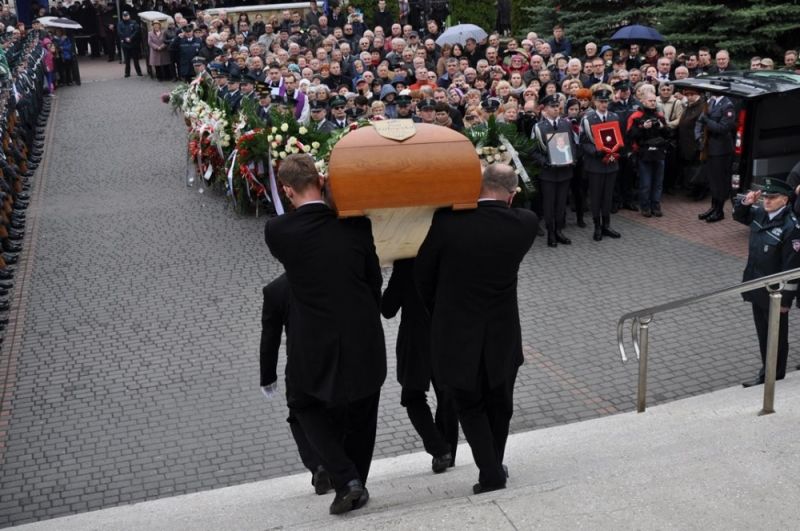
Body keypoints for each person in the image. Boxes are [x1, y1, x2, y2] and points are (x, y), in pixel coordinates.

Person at [264, 154, 386, 515]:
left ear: (287, 191)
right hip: (363, 333)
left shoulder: (278, 231)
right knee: (363, 409)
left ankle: (346, 479)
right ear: (321, 179)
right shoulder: (357, 225)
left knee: (304, 404)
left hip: (313, 338)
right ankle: (356, 481)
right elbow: (373, 280)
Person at [415, 163, 538, 495]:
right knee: (500, 402)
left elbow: (422, 276)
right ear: (512, 196)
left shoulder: (447, 223)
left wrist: (440, 309)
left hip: (456, 332)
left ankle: (491, 471)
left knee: (469, 404)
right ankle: (493, 464)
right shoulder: (524, 224)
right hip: (503, 333)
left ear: (479, 185)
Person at [381, 258, 459, 474]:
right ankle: (448, 452)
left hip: (416, 342)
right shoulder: (448, 256)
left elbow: (387, 308)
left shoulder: (406, 264)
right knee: (448, 396)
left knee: (412, 397)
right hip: (446, 337)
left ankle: (440, 449)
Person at [259, 273, 333, 496]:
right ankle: (338, 464)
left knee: (298, 416)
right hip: (332, 359)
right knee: (333, 412)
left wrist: (268, 376)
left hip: (299, 365)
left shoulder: (275, 290)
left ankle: (318, 466)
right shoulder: (326, 277)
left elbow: (270, 337)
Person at [733, 178, 800, 388]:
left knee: (776, 338)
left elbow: (792, 269)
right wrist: (746, 201)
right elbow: (740, 216)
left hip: (775, 295)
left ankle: (773, 375)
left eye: (772, 198)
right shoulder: (761, 214)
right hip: (756, 286)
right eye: (765, 197)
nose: (767, 201)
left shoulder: (791, 228)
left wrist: (785, 301)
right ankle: (767, 370)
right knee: (763, 334)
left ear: (785, 200)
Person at [532, 94, 576, 248]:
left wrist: (572, 159)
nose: (556, 109)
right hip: (548, 173)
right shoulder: (538, 127)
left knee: (561, 203)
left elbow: (572, 145)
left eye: (557, 107)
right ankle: (551, 233)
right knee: (549, 204)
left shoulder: (566, 124)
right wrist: (546, 162)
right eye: (552, 107)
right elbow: (534, 151)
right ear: (545, 109)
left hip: (565, 170)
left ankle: (559, 231)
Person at [580, 87, 622, 241]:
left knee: (608, 196)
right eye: (601, 101)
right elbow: (583, 142)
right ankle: (597, 226)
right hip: (595, 164)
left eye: (606, 101)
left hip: (611, 163)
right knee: (596, 196)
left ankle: (607, 225)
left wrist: (615, 150)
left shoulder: (614, 117)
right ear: (595, 102)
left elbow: (618, 138)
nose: (604, 104)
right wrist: (595, 151)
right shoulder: (587, 119)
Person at [628, 90, 669, 217]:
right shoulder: (636, 116)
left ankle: (655, 205)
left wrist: (663, 128)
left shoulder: (660, 116)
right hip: (643, 153)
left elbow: (668, 135)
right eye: (650, 101)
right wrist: (642, 128)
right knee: (645, 183)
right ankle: (645, 206)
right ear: (643, 101)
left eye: (654, 101)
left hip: (659, 153)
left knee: (658, 182)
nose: (653, 103)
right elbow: (630, 136)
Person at [696, 90, 736, 222]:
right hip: (709, 147)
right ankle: (713, 207)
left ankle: (719, 211)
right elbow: (699, 122)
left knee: (719, 181)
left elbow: (723, 128)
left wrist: (707, 121)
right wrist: (699, 138)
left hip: (721, 149)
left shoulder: (728, 105)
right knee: (712, 180)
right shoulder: (711, 101)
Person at [117, 11, 142, 77]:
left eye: (126, 15)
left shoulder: (134, 22)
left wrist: (131, 38)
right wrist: (125, 39)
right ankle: (127, 73)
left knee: (136, 59)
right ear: (122, 16)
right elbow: (119, 32)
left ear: (129, 15)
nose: (125, 17)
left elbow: (137, 31)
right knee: (127, 60)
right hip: (125, 44)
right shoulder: (120, 23)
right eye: (124, 16)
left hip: (133, 43)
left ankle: (139, 72)